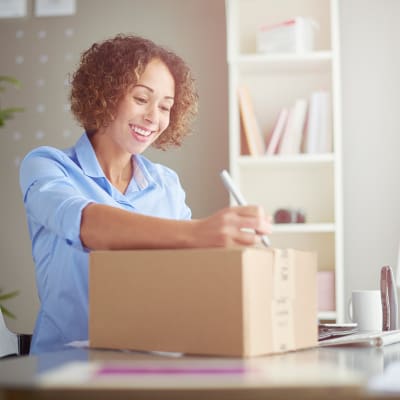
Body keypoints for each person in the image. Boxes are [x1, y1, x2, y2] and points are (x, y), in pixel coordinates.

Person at [19, 34, 272, 354]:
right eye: (141, 99)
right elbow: (87, 225)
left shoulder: (166, 183)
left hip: (153, 363)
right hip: (68, 365)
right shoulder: (47, 165)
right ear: (105, 95)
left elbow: (189, 275)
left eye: (165, 107)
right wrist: (199, 231)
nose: (154, 118)